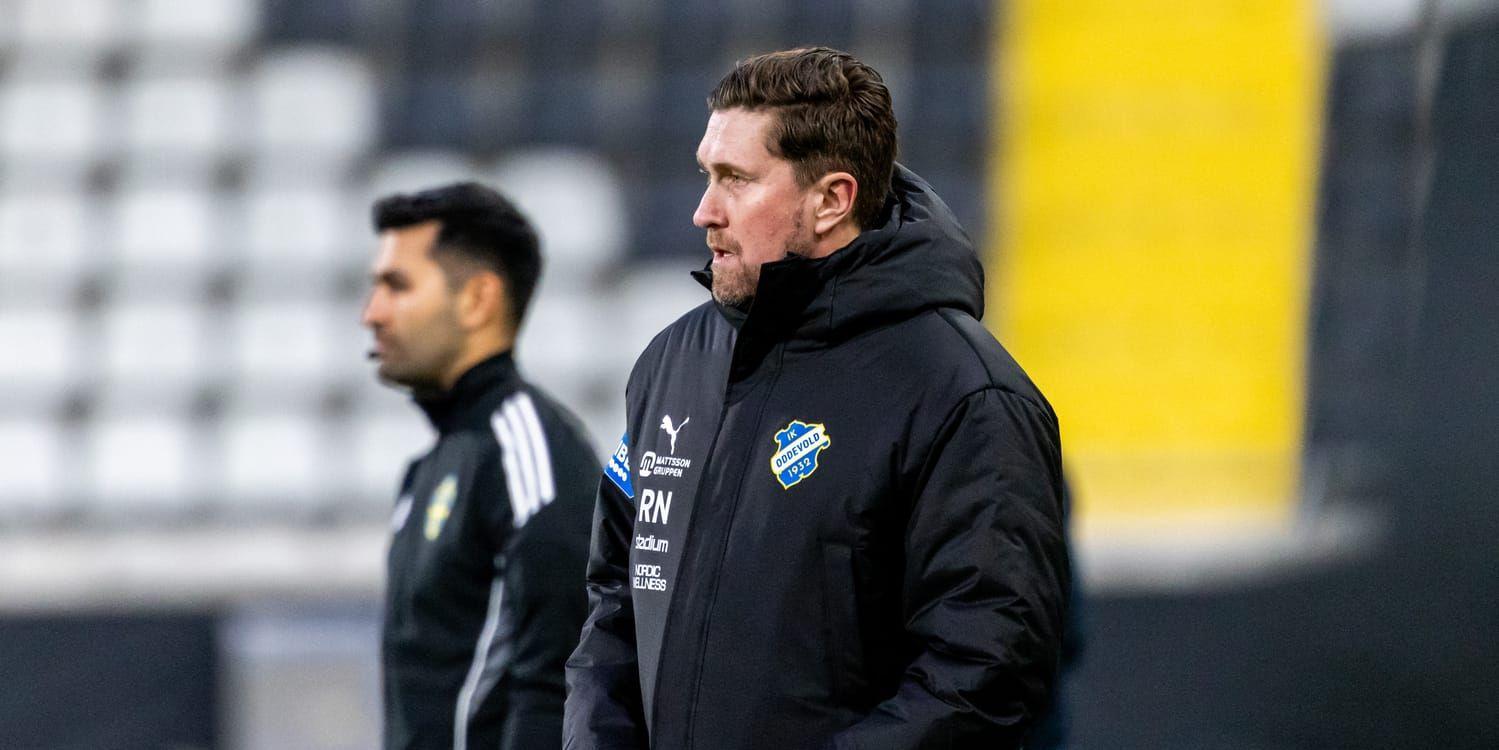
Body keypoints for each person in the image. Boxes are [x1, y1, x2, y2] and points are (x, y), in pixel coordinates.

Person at [564, 48, 1071, 750]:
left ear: (831, 200)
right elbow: (614, 606)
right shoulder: (671, 364)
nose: (704, 211)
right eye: (706, 175)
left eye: (736, 179)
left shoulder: (966, 396)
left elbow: (986, 673)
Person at [363, 182, 596, 750]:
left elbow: (556, 681)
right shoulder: (431, 467)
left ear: (477, 300)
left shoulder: (529, 450)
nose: (372, 314)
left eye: (397, 286)